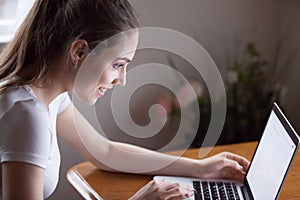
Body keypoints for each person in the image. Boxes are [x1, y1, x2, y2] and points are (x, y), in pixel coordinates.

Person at [0, 0, 250, 199]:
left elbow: (105, 151)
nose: (122, 80)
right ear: (79, 52)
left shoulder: (47, 95)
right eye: (117, 64)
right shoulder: (27, 115)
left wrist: (199, 168)